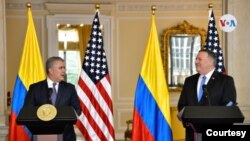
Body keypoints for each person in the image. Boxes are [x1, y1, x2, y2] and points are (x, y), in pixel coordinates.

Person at [177, 49, 237, 141]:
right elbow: (182, 104)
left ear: (210, 62)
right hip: (192, 134)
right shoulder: (189, 81)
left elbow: (228, 108)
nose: (196, 61)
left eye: (199, 59)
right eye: (196, 59)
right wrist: (187, 121)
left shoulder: (225, 81)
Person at [24, 56, 82, 141]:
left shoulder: (70, 88)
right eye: (60, 68)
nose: (64, 71)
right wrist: (39, 129)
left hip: (66, 137)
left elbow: (78, 110)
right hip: (41, 136)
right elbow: (27, 113)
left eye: (64, 68)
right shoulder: (34, 88)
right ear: (50, 70)